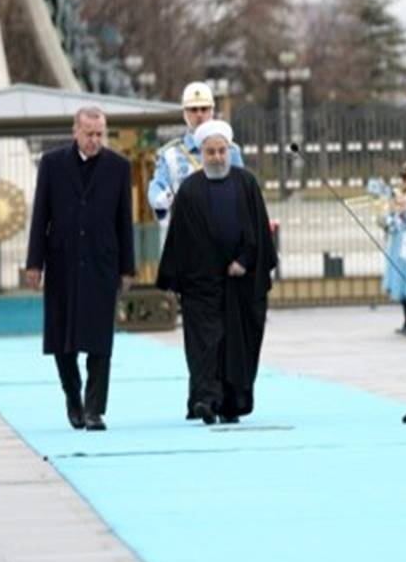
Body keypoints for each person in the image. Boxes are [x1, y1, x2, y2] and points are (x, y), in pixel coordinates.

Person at [157, 120, 277, 425]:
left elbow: (259, 233)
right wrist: (172, 278)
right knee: (205, 344)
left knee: (238, 345)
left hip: (240, 283)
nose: (217, 158)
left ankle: (232, 403)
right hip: (202, 285)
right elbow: (179, 237)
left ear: (229, 151)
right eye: (210, 152)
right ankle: (205, 400)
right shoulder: (190, 189)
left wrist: (245, 261)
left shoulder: (246, 183)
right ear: (202, 153)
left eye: (222, 151)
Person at [26, 106, 136, 431]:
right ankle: (73, 398)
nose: (94, 140)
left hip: (103, 263)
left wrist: (126, 267)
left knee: (100, 340)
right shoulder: (52, 164)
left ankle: (94, 409)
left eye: (100, 134)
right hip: (62, 263)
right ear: (75, 131)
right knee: (63, 341)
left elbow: (124, 220)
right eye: (88, 134)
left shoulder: (119, 167)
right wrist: (35, 263)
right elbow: (40, 216)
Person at [148, 82, 244, 247]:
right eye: (193, 109)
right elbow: (157, 187)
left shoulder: (230, 150)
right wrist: (161, 198)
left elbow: (243, 191)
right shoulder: (170, 154)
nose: (199, 114)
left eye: (204, 109)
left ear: (212, 112)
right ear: (184, 113)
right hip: (186, 239)